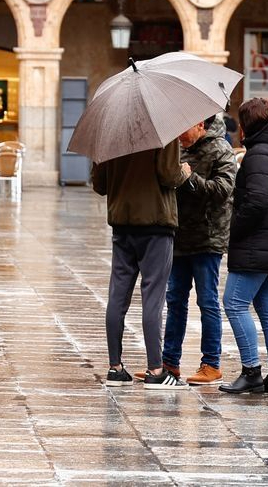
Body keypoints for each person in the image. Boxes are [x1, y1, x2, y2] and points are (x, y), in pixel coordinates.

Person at [132, 114, 236, 385]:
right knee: (175, 300)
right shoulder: (176, 148)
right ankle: (169, 362)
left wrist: (190, 178)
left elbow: (223, 191)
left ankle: (211, 363)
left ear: (201, 125)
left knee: (207, 301)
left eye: (185, 128)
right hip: (177, 235)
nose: (180, 134)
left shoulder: (221, 149)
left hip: (207, 237)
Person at [92, 138, 191, 390]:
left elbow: (100, 185)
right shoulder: (162, 132)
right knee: (153, 296)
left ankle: (115, 368)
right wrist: (185, 172)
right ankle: (156, 370)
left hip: (122, 224)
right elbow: (169, 175)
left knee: (117, 296)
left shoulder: (111, 134)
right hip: (155, 224)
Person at [219, 98, 268, 395]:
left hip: (257, 245)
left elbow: (256, 202)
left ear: (247, 124)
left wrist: (233, 231)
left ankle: (251, 370)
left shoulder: (259, 154)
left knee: (234, 303)